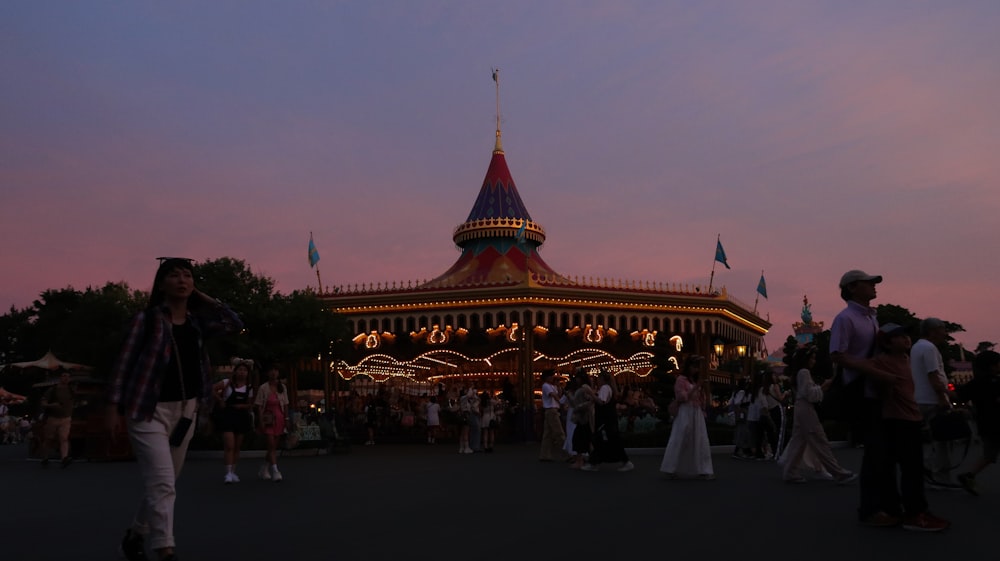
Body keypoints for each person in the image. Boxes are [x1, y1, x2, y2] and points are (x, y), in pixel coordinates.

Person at [107, 257, 243, 561]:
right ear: (161, 283)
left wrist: (204, 298)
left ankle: (135, 534)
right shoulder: (146, 320)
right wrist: (113, 408)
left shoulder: (197, 323)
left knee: (165, 481)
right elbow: (123, 365)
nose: (182, 280)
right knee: (163, 482)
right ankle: (165, 548)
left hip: (185, 410)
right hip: (147, 410)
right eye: (174, 275)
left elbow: (234, 323)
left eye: (187, 275)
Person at [841, 323, 950, 531]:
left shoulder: (907, 359)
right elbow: (864, 368)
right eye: (899, 337)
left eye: (906, 335)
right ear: (888, 344)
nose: (906, 339)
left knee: (906, 468)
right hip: (897, 419)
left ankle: (898, 509)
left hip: (912, 416)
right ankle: (914, 513)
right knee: (910, 469)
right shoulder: (882, 361)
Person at [829, 269, 884, 526]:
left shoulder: (872, 318)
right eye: (868, 283)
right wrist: (870, 368)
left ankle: (882, 504)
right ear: (852, 288)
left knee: (882, 451)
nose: (874, 287)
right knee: (874, 451)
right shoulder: (846, 318)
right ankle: (870, 509)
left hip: (877, 389)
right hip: (862, 391)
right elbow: (838, 354)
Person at [780, 346, 857, 484]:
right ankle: (837, 472)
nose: (814, 361)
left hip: (800, 408)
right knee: (819, 439)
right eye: (812, 358)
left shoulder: (798, 373)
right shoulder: (804, 372)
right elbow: (809, 394)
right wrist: (823, 387)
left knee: (799, 441)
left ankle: (791, 471)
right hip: (806, 408)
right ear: (806, 359)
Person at [908, 317, 958, 489]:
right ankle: (939, 477)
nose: (945, 333)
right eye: (942, 329)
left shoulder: (916, 347)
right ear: (933, 330)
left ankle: (928, 473)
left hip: (921, 399)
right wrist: (944, 398)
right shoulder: (929, 348)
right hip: (932, 401)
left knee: (930, 440)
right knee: (942, 442)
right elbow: (933, 376)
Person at [660, 356, 714, 480]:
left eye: (697, 367)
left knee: (700, 438)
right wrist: (696, 387)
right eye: (694, 366)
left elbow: (699, 397)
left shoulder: (694, 381)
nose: (695, 369)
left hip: (696, 412)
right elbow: (682, 397)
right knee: (680, 437)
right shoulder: (681, 380)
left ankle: (703, 469)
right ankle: (671, 467)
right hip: (685, 411)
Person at [956, 350, 1000, 496]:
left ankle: (969, 475)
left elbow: (960, 395)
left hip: (984, 424)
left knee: (989, 455)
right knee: (989, 454)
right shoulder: (995, 381)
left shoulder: (976, 383)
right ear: (991, 366)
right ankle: (969, 475)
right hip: (995, 423)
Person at [212, 357, 255, 484]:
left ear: (247, 373)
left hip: (241, 417)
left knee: (237, 446)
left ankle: (233, 471)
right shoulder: (227, 383)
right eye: (240, 370)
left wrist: (243, 406)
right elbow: (212, 389)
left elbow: (250, 404)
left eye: (244, 370)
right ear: (235, 371)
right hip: (228, 415)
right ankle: (228, 473)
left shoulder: (249, 388)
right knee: (229, 445)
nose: (242, 372)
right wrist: (220, 400)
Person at [584, 370, 633, 472]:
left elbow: (601, 401)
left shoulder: (605, 388)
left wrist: (591, 394)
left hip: (605, 419)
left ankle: (596, 462)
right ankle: (595, 462)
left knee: (603, 440)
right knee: (607, 440)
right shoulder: (607, 388)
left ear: (601, 379)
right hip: (608, 419)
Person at [254, 364, 289, 482]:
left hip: (279, 418)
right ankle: (275, 470)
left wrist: (287, 419)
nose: (273, 373)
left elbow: (286, 404)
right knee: (270, 444)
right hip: (268, 419)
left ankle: (265, 467)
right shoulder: (263, 388)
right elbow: (259, 406)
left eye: (275, 370)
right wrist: (260, 420)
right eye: (271, 371)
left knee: (273, 446)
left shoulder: (282, 387)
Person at [39, 371, 75, 468]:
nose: (66, 378)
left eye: (68, 376)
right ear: (60, 378)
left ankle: (64, 458)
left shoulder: (71, 389)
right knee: (49, 439)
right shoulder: (53, 390)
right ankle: (45, 457)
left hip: (66, 418)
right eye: (64, 376)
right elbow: (43, 402)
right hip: (53, 418)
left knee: (64, 438)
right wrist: (51, 405)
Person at [568, 370, 595, 470]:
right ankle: (586, 460)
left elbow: (589, 401)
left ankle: (581, 460)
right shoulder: (584, 388)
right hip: (583, 417)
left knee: (579, 438)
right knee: (585, 438)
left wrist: (579, 407)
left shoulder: (584, 388)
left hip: (584, 417)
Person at [538, 370, 566, 461]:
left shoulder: (552, 386)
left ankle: (544, 454)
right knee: (559, 432)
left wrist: (559, 387)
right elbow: (554, 396)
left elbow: (558, 394)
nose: (552, 378)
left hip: (551, 410)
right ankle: (567, 454)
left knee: (548, 434)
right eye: (551, 376)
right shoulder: (546, 386)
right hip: (552, 410)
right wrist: (562, 403)